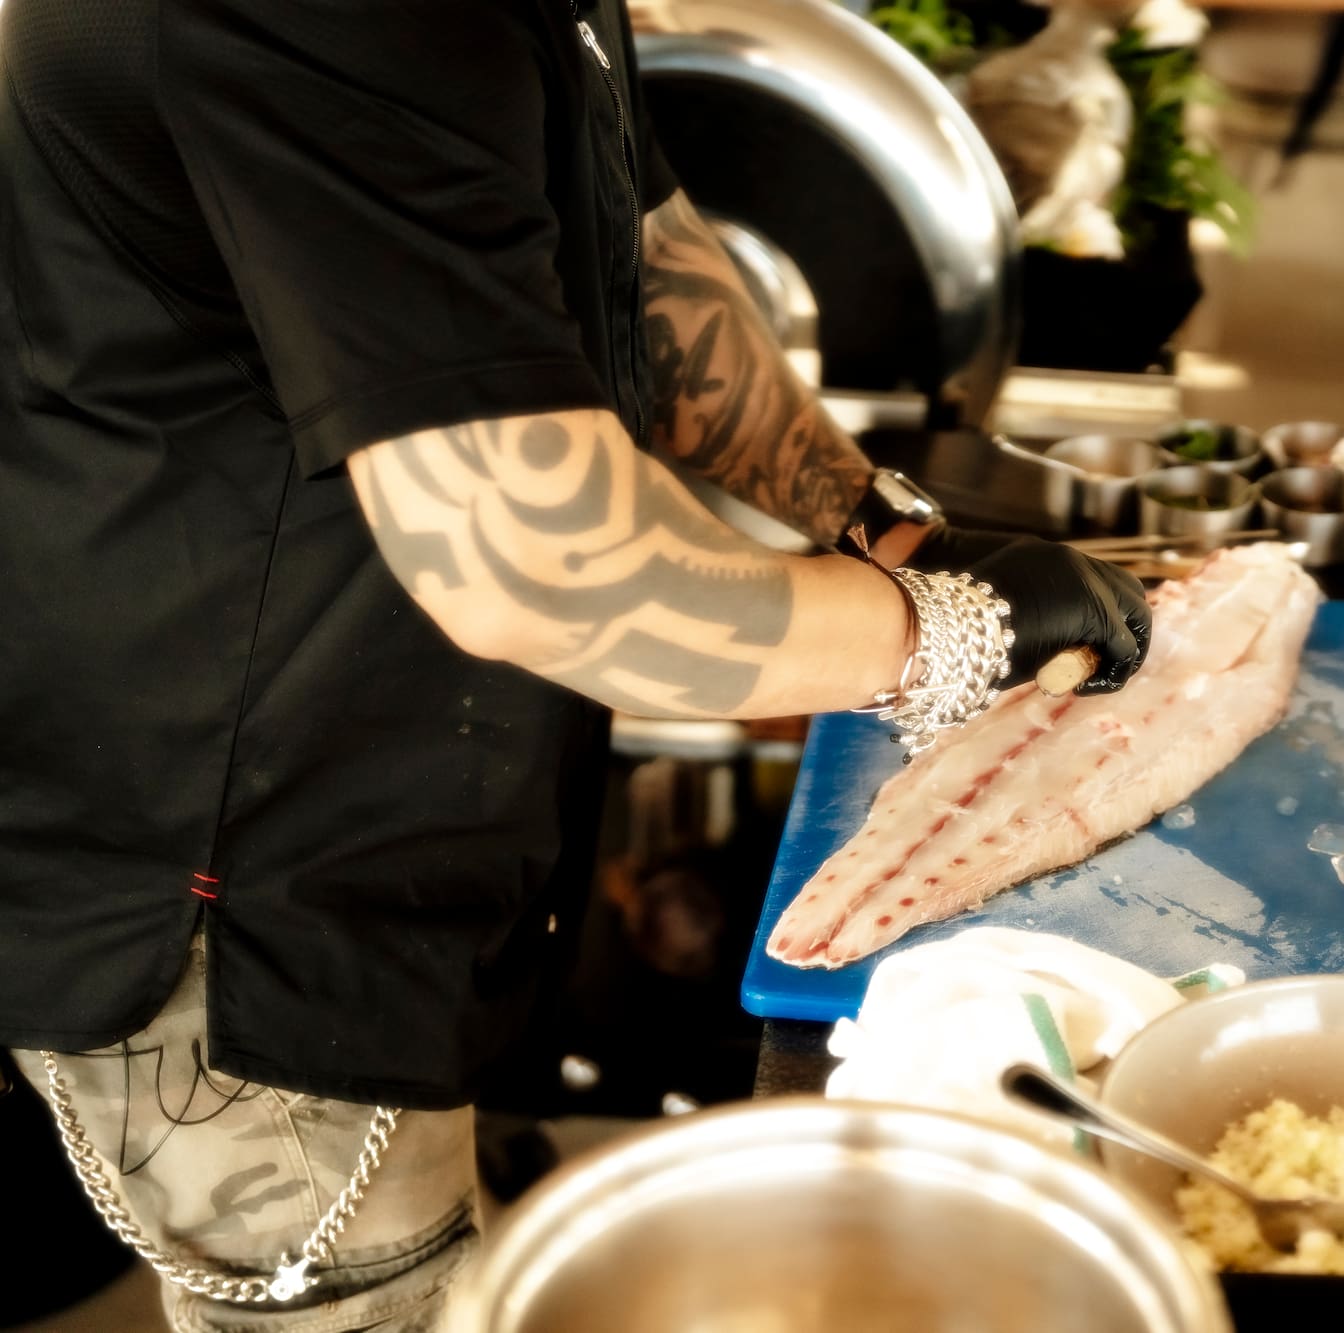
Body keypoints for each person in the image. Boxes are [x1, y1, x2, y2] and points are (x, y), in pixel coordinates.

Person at [0, 1, 1150, 1328]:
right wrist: (938, 632)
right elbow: (538, 567)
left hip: (379, 781)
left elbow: (634, 263)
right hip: (240, 897)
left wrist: (875, 522)